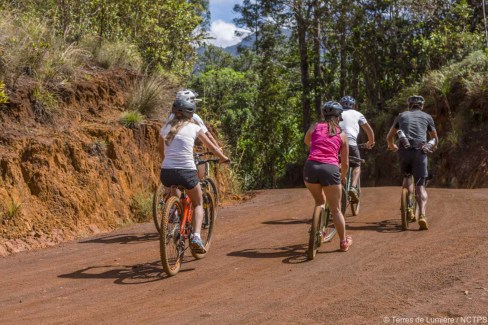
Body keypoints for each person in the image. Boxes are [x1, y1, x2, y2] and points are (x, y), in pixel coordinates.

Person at [158, 98, 229, 253]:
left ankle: (174, 213)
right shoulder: (195, 128)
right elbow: (213, 149)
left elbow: (161, 151)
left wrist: (168, 164)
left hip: (167, 172)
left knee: (173, 189)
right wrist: (223, 158)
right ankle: (196, 236)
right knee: (198, 203)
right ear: (190, 114)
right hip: (186, 172)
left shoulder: (165, 128)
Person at [304, 101, 352, 252]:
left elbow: (307, 141)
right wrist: (342, 177)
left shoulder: (314, 127)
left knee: (319, 201)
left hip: (310, 167)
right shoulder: (342, 135)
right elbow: (345, 163)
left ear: (323, 115)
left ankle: (319, 229)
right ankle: (343, 242)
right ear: (339, 117)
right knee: (336, 209)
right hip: (330, 169)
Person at [386, 95, 438, 230]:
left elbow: (389, 137)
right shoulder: (427, 117)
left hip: (404, 149)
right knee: (420, 186)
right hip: (420, 151)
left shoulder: (401, 116)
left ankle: (408, 206)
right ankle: (422, 215)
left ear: (409, 105)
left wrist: (392, 146)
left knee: (407, 177)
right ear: (422, 106)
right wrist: (433, 146)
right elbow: (435, 138)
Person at [339, 96, 375, 202]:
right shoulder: (358, 114)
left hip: (336, 142)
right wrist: (371, 142)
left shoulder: (337, 113)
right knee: (357, 166)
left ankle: (338, 179)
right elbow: (369, 130)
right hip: (351, 143)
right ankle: (353, 187)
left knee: (337, 161)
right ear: (354, 106)